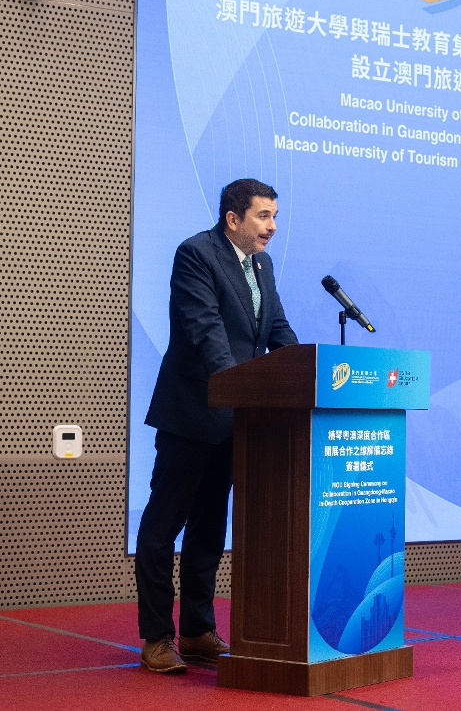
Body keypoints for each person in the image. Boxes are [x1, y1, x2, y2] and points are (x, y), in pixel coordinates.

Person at [136, 178, 298, 673]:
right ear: (233, 218)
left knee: (208, 529)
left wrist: (303, 371)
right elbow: (205, 329)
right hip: (191, 414)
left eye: (274, 216)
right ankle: (157, 637)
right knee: (163, 528)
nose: (273, 226)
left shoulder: (262, 265)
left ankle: (197, 631)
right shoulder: (196, 254)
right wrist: (239, 387)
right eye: (264, 216)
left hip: (233, 421)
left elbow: (275, 329)